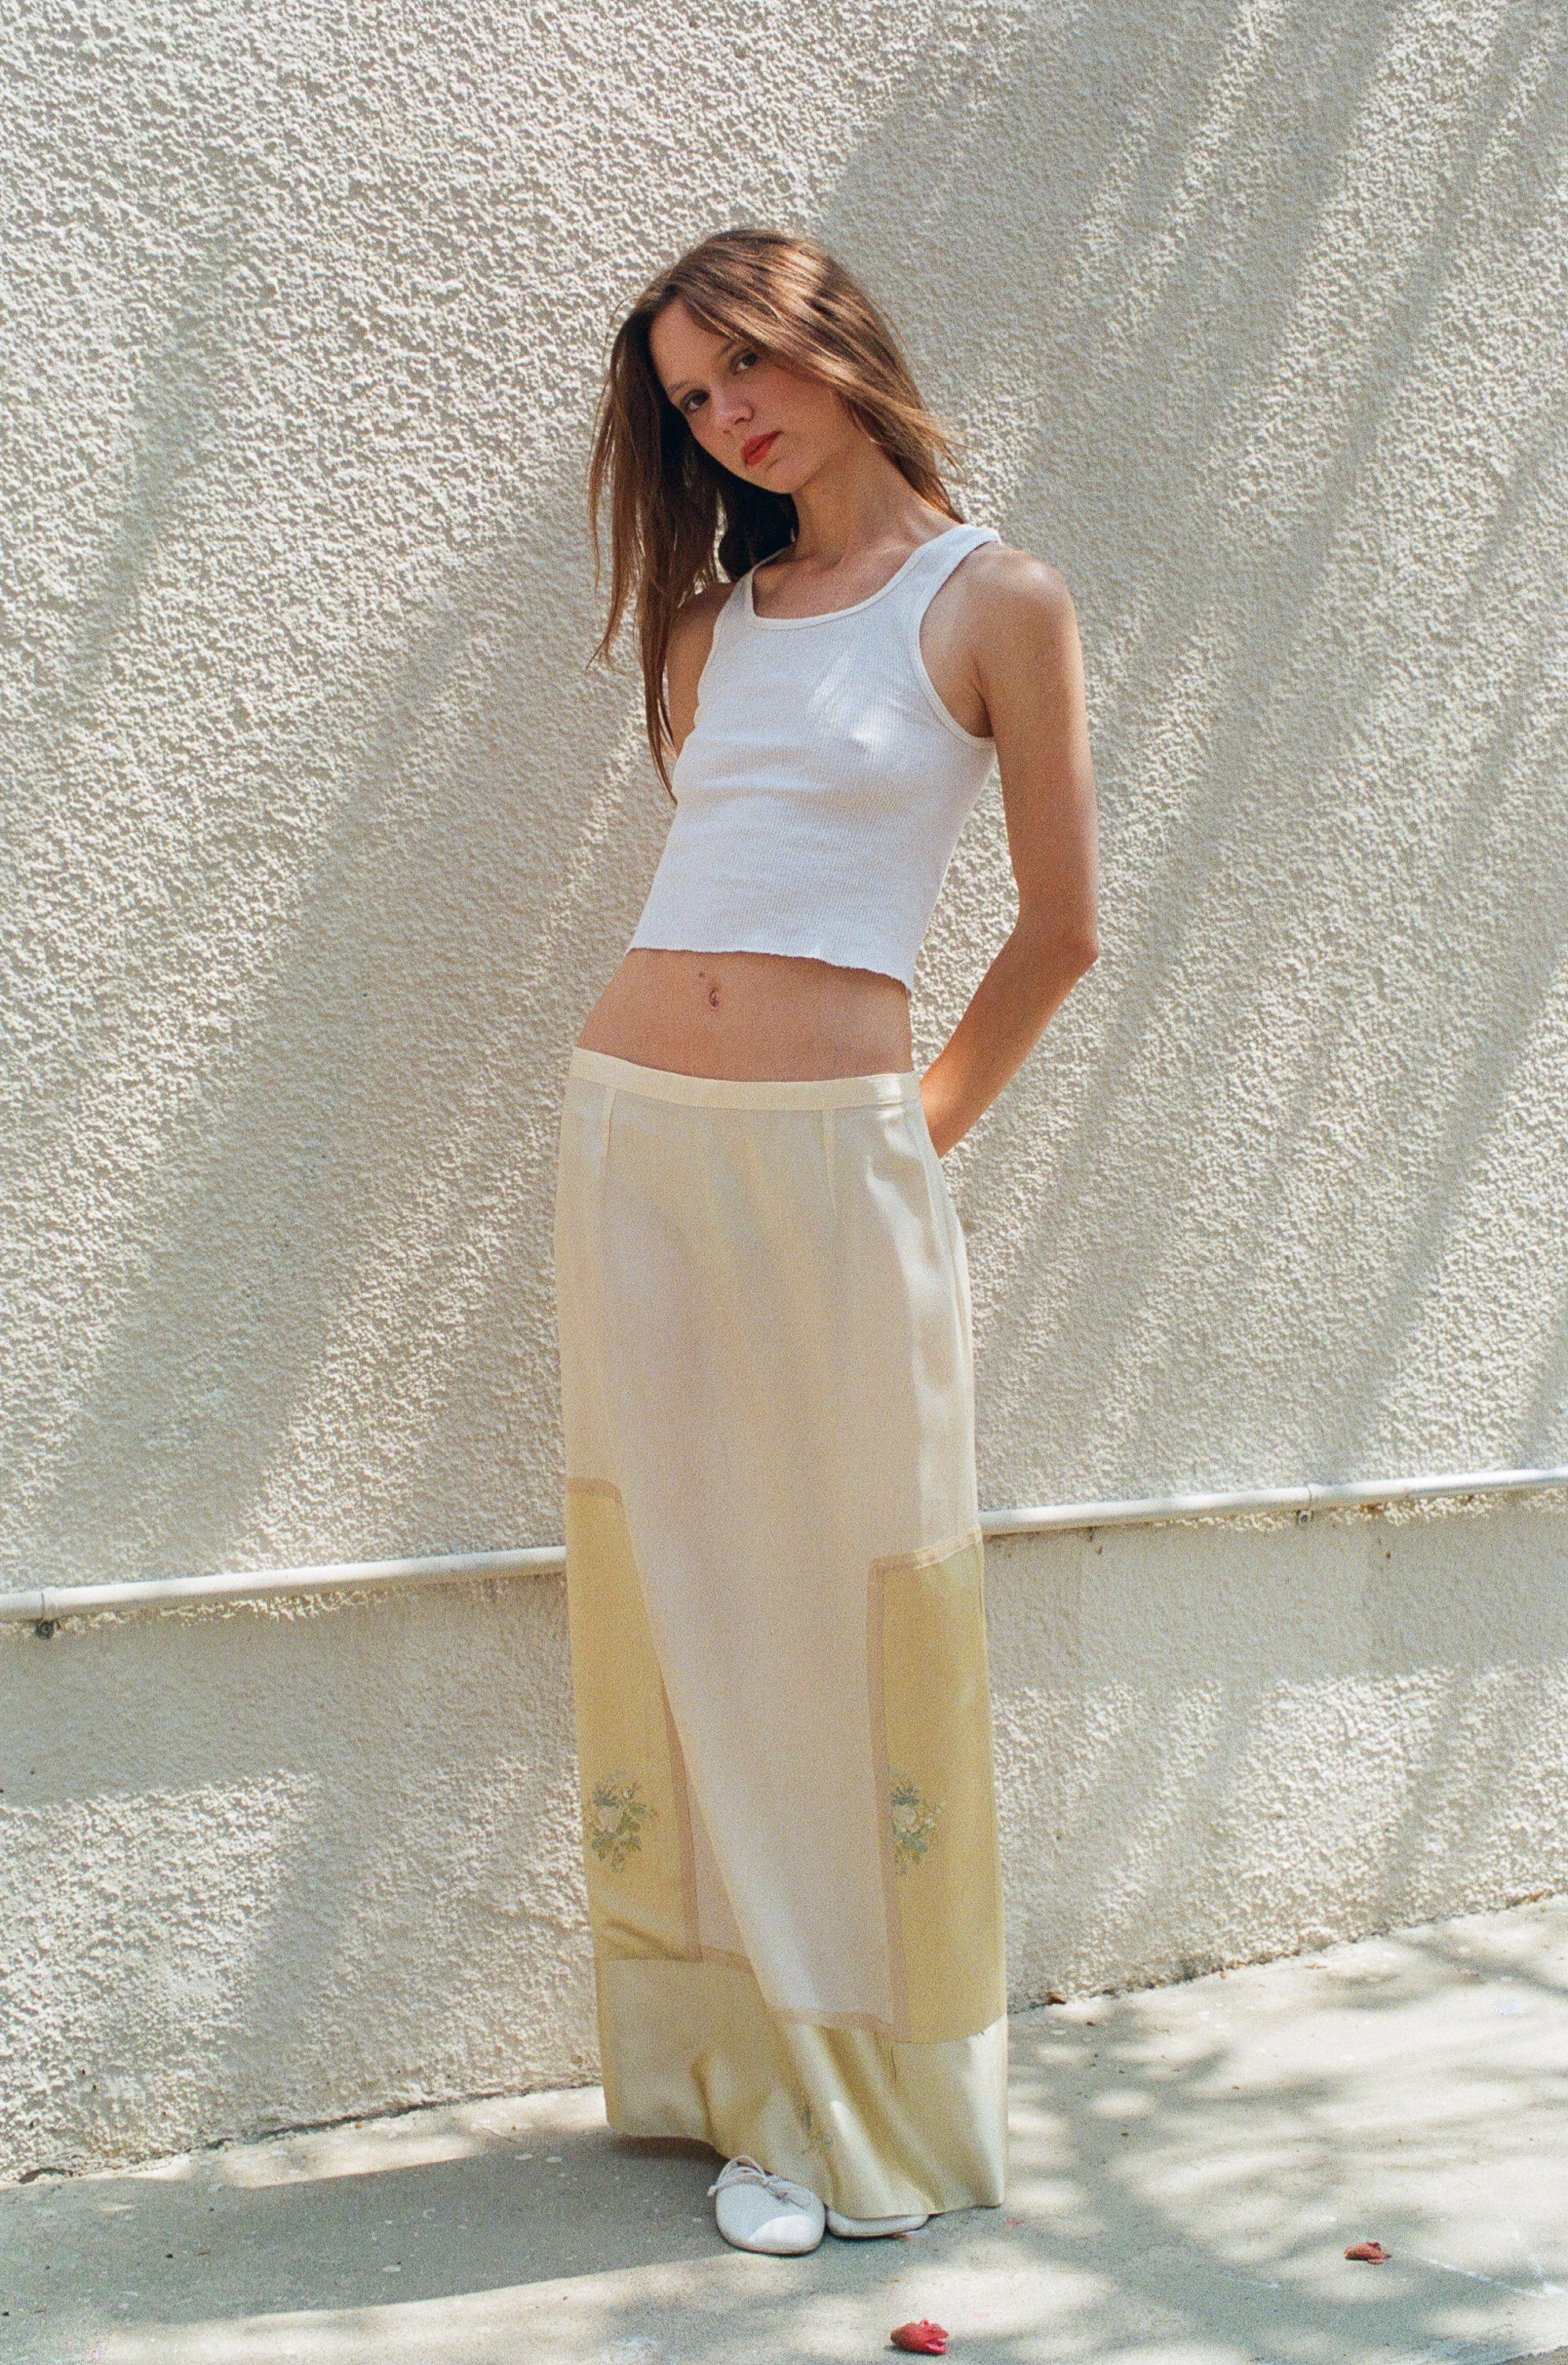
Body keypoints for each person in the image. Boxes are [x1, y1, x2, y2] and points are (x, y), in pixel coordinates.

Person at [554, 228, 1098, 2258]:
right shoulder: (717, 625)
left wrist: (908, 1136)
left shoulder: (993, 600)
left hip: (827, 1156)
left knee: (848, 1604)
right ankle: (729, 2067)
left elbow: (1061, 928)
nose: (727, 416)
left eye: (745, 368)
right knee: (680, 1585)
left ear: (836, 335)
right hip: (629, 1134)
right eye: (690, 400)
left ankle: (858, 2084)